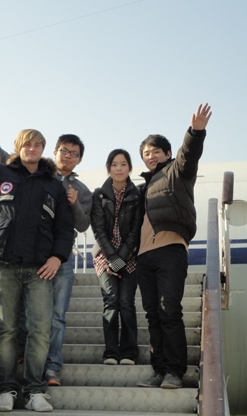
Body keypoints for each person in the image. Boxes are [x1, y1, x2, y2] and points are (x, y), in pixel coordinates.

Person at [0, 86, 74, 412]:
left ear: (43, 149)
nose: (32, 148)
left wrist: (57, 257)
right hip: (5, 265)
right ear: (18, 147)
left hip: (40, 269)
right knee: (7, 330)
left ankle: (36, 390)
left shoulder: (54, 185)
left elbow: (64, 228)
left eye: (37, 144)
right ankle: (6, 390)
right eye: (27, 144)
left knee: (40, 330)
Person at [0, 113, 92, 387]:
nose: (68, 156)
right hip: (31, 256)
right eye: (64, 150)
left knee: (55, 316)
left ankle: (51, 368)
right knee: (22, 315)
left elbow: (82, 224)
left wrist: (74, 203)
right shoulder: (30, 171)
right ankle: (21, 356)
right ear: (55, 151)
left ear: (79, 160)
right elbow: (0, 153)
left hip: (60, 258)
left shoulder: (81, 189)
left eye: (74, 154)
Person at [136, 103, 212, 389]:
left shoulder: (177, 173)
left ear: (167, 154)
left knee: (169, 310)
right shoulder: (143, 187)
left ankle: (175, 372)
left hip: (170, 250)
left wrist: (195, 132)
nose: (151, 156)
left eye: (156, 151)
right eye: (146, 153)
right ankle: (159, 369)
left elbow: (188, 155)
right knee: (153, 315)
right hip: (143, 256)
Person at [90, 149, 142, 366]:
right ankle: (111, 352)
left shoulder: (137, 196)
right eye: (114, 164)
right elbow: (98, 229)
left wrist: (122, 258)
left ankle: (129, 352)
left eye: (123, 164)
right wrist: (113, 258)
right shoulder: (99, 195)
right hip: (105, 255)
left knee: (126, 302)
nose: (119, 168)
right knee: (111, 301)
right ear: (108, 168)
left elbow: (136, 230)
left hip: (130, 255)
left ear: (130, 167)